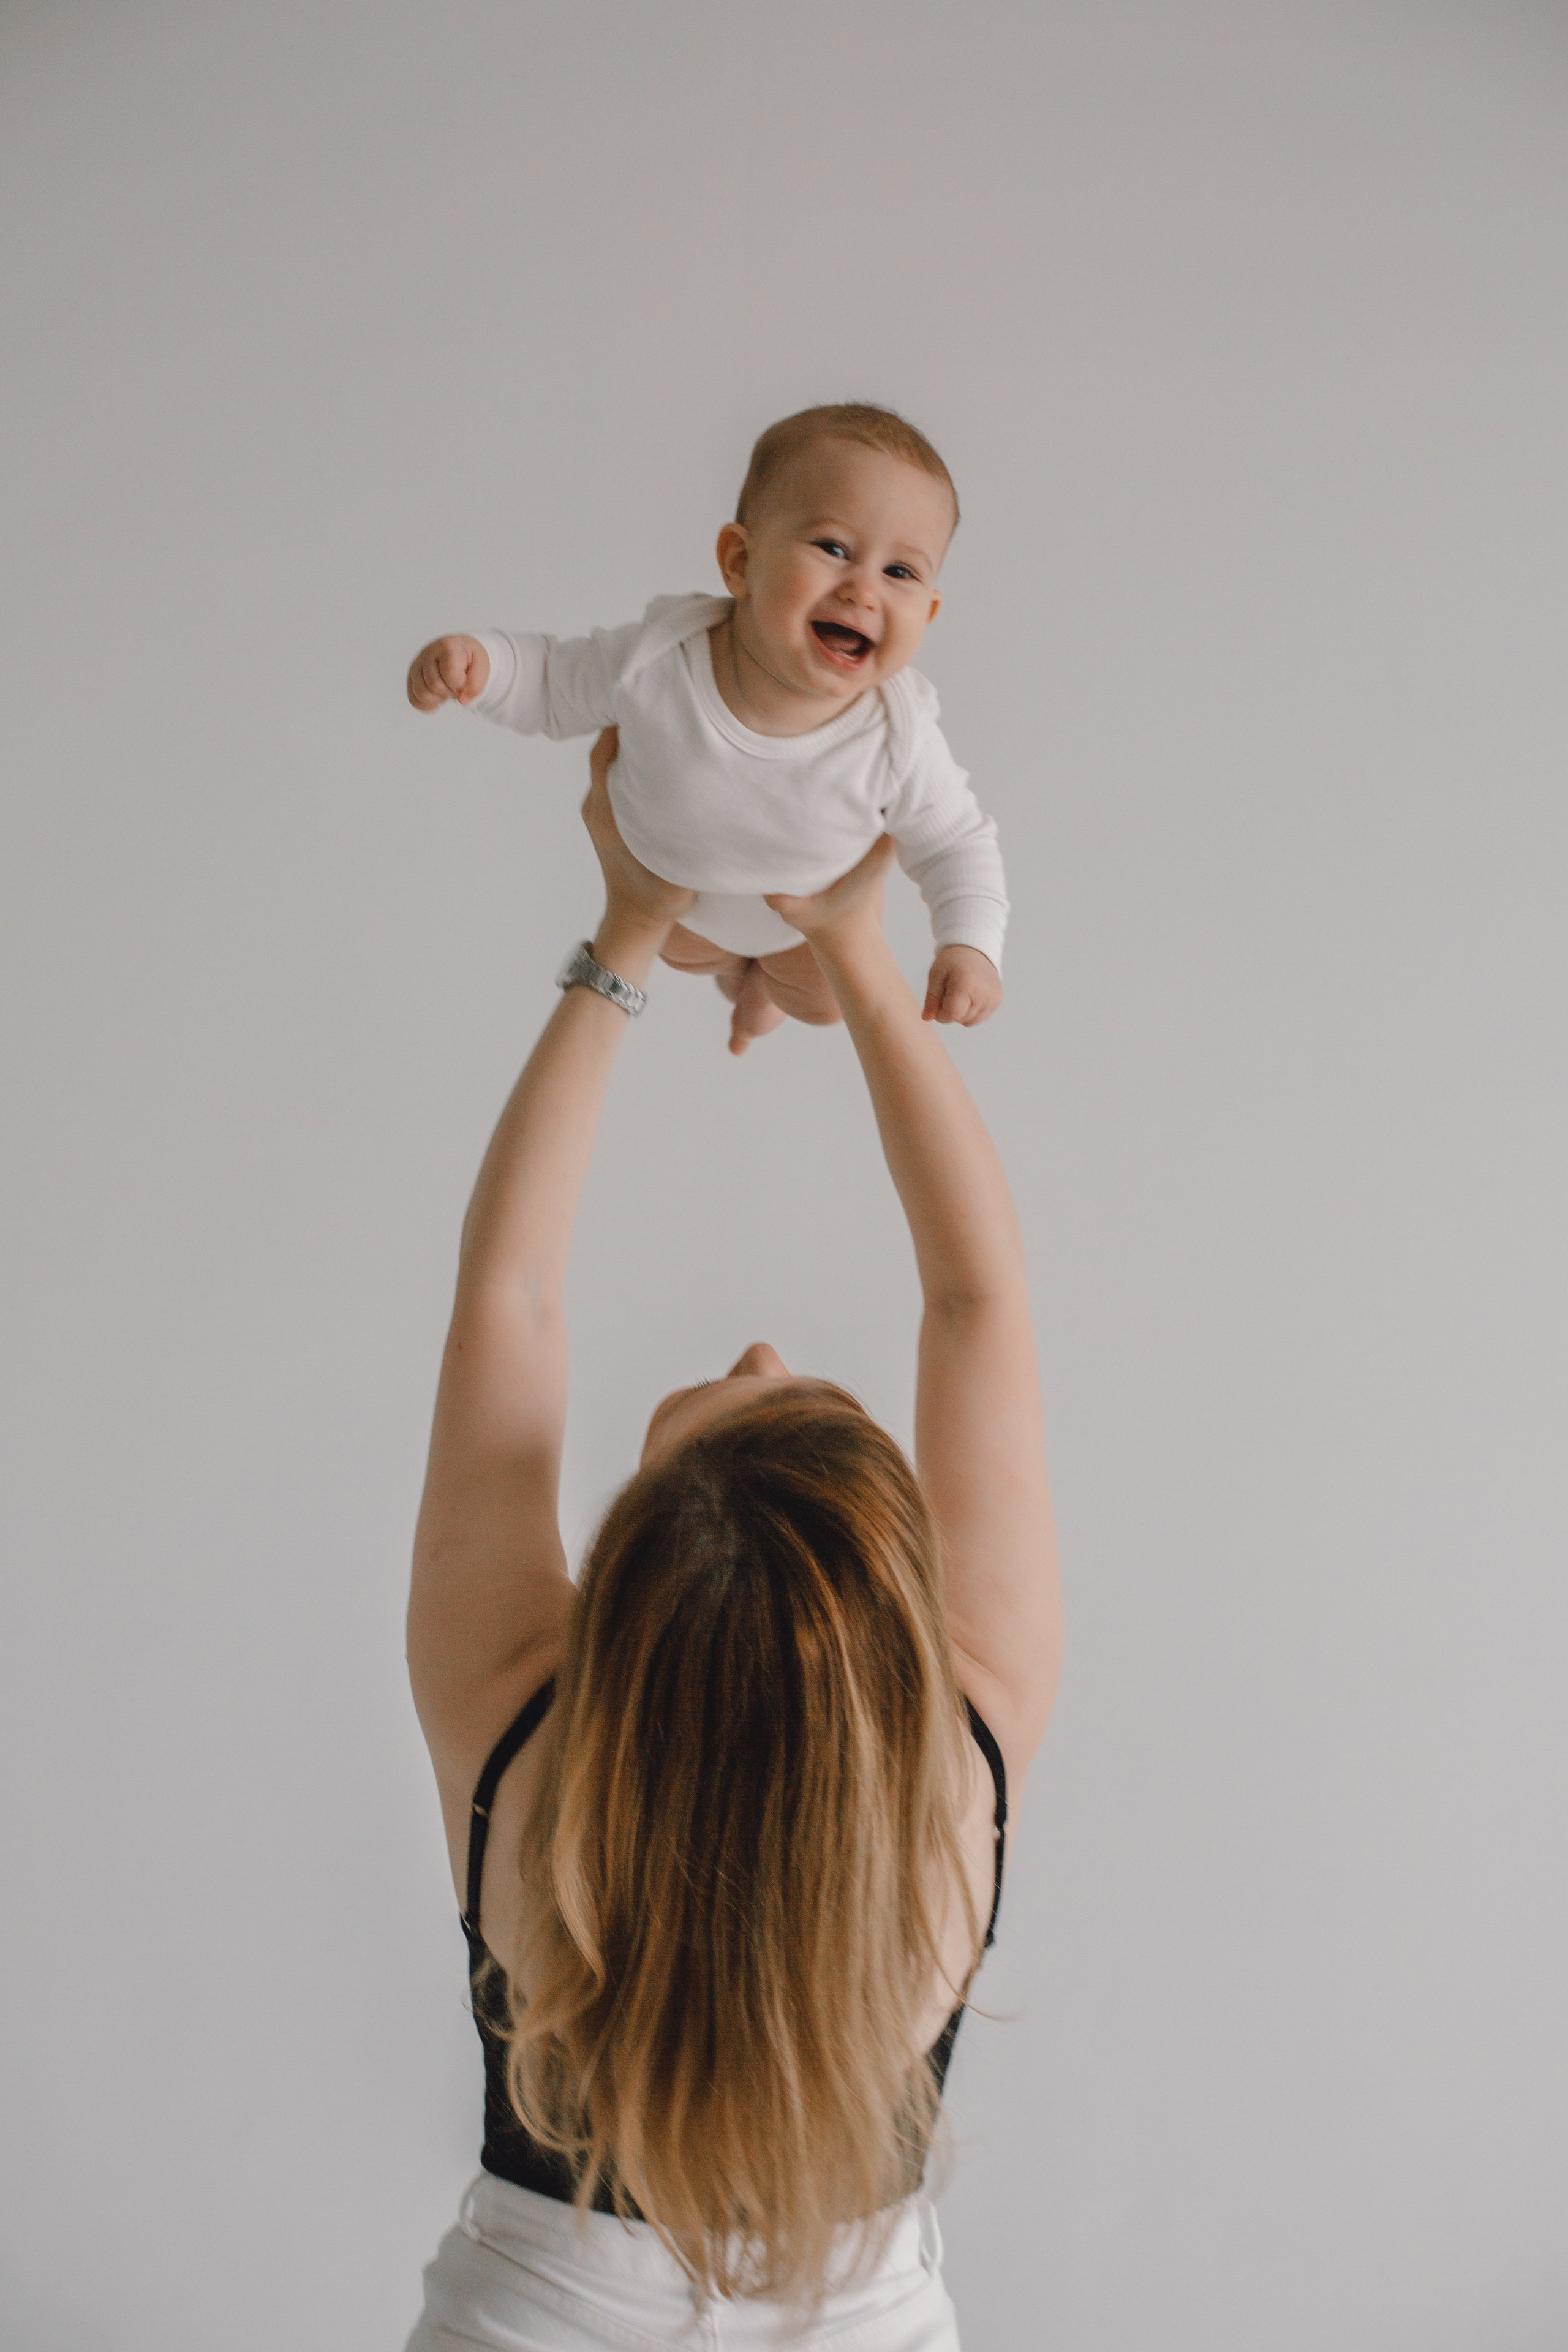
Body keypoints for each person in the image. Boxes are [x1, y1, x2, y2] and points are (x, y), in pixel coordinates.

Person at [403, 728, 1061, 2350]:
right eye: (800, 1391)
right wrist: (852, 946)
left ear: (625, 1567)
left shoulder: (518, 1725)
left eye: (735, 1392)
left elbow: (508, 1299)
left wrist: (625, 934)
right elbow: (978, 1305)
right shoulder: (959, 1734)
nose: (764, 1351)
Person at [405, 403, 1008, 1055]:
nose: (864, 590)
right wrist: (482, 664)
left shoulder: (899, 733)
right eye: (833, 548)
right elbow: (554, 679)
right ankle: (739, 987)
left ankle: (760, 1001)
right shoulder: (661, 659)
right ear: (739, 562)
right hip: (679, 913)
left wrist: (971, 945)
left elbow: (956, 845)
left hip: (807, 937)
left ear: (931, 611)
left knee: (819, 1002)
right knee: (698, 959)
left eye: (901, 573)